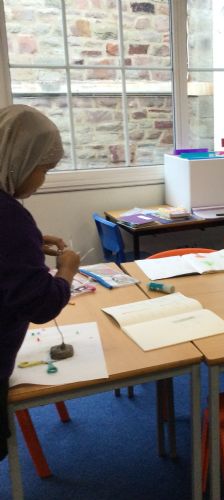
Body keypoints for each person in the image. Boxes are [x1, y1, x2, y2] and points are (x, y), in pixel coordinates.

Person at [0, 104, 80, 460]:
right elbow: (42, 304)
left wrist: (28, 245)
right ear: (19, 159)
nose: (43, 180)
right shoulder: (10, 217)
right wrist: (67, 271)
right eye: (43, 169)